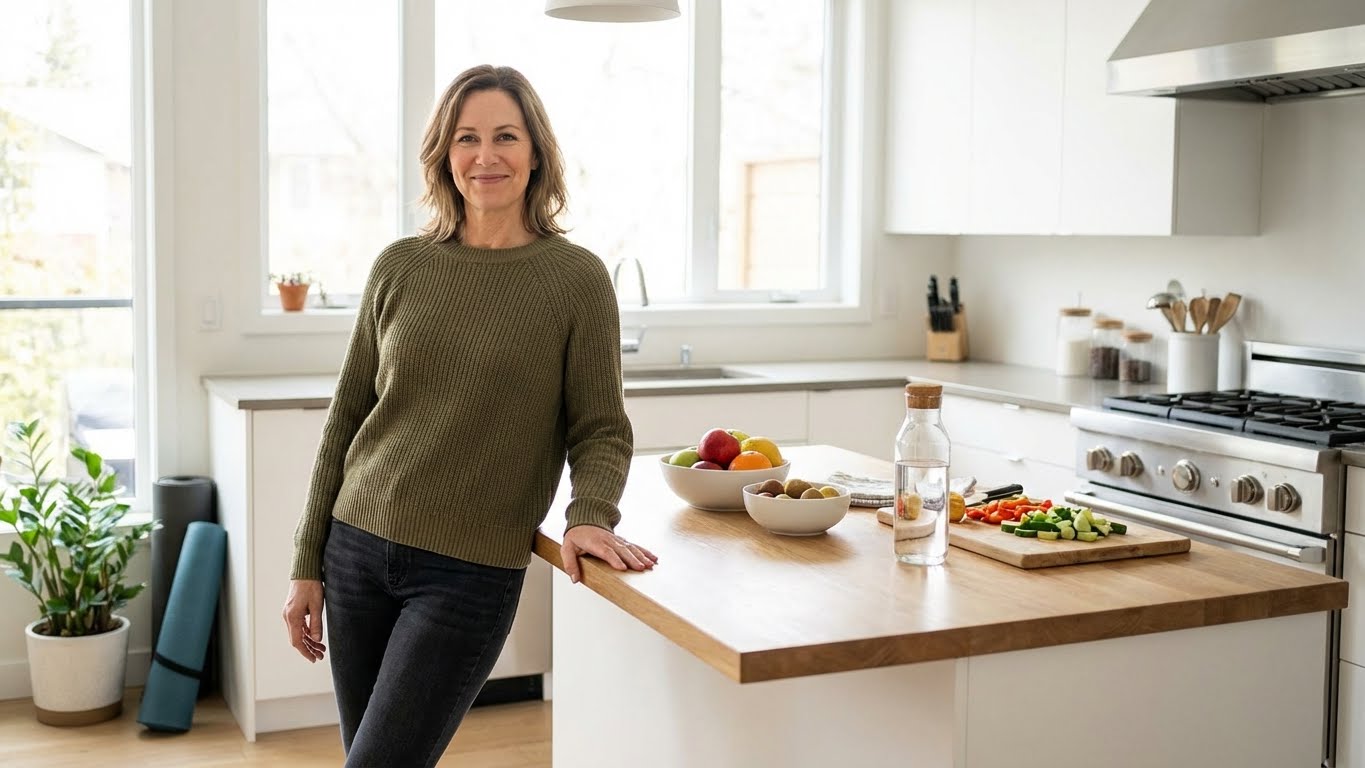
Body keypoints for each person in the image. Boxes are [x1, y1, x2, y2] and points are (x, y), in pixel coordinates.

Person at [281, 64, 657, 767]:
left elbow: (600, 427)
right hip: (356, 547)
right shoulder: (399, 265)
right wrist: (307, 563)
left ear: (536, 152)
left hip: (467, 574)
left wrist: (589, 514)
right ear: (444, 156)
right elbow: (346, 419)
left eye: (505, 136)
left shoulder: (574, 279)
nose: (485, 157)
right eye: (467, 138)